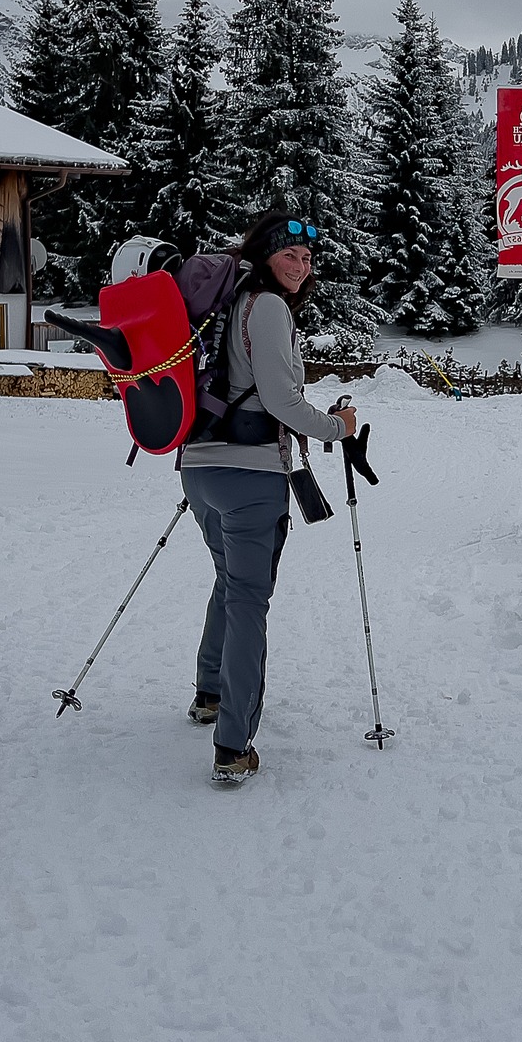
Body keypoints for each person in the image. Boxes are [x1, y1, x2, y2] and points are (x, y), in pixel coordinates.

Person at [179, 213, 356, 786]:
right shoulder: (269, 306)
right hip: (251, 474)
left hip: (199, 468)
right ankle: (233, 744)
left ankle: (209, 692)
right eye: (291, 256)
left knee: (228, 581)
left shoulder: (227, 300)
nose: (301, 268)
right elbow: (281, 399)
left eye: (307, 259)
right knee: (249, 600)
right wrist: (337, 426)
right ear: (266, 255)